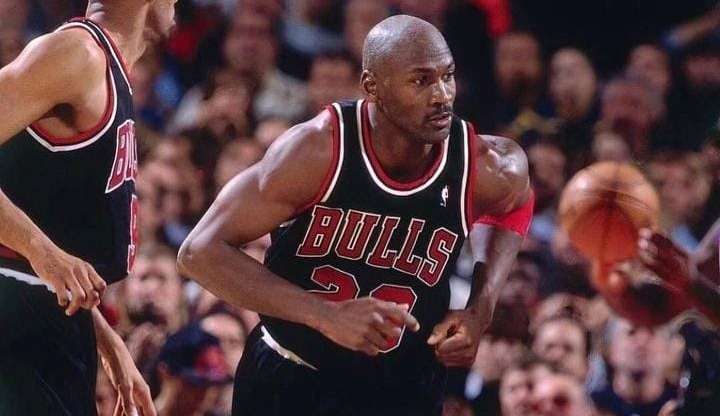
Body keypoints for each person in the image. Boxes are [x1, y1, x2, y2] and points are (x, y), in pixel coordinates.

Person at [178, 15, 533, 415]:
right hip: (294, 374)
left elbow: (516, 205)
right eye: (421, 80)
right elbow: (199, 252)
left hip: (404, 386)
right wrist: (324, 315)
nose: (442, 96)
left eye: (447, 76)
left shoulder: (484, 165)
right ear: (372, 86)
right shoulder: (317, 150)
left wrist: (479, 311)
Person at [0, 0, 176, 414]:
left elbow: (46, 214)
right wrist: (42, 252)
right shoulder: (77, 54)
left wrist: (104, 338)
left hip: (51, 311)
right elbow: (40, 258)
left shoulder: (107, 68)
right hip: (16, 311)